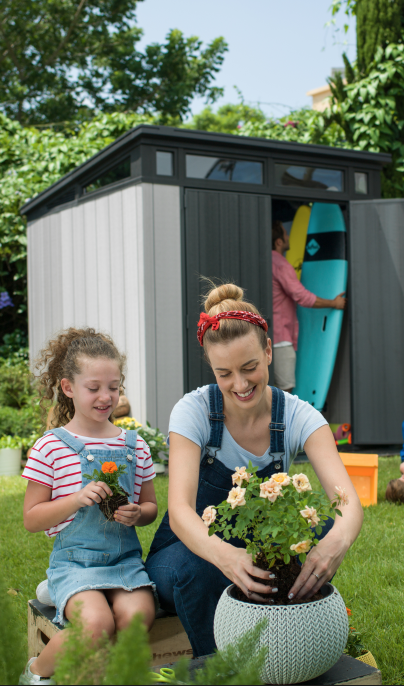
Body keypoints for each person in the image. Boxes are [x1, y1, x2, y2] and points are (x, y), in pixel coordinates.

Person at [145, 282, 363, 657]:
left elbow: (347, 503)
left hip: (257, 552)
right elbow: (180, 512)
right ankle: (222, 670)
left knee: (322, 529)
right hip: (187, 554)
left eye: (249, 368)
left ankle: (287, 645)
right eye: (224, 373)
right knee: (195, 571)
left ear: (267, 352)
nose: (240, 384)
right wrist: (226, 556)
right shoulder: (193, 411)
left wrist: (334, 544)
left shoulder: (298, 416)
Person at [19, 328, 158, 685]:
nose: (105, 396)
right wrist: (75, 499)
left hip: (123, 561)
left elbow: (150, 508)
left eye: (113, 387)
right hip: (76, 562)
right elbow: (32, 519)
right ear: (68, 387)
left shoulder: (134, 445)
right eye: (93, 388)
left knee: (139, 615)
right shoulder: (51, 447)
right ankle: (36, 673)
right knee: (96, 626)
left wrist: (137, 514)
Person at [271, 220, 346, 392]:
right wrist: (333, 303)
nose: (289, 236)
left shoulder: (265, 262)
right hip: (280, 339)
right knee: (285, 390)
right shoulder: (280, 265)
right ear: (279, 241)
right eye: (285, 234)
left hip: (267, 335)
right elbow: (302, 296)